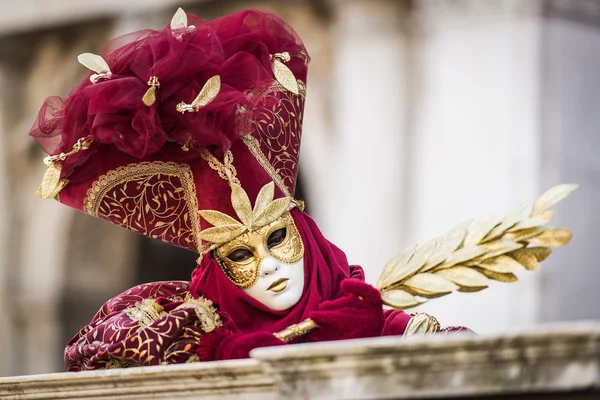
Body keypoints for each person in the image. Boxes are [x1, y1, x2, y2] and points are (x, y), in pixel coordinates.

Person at [29, 8, 468, 371]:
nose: (270, 267)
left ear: (308, 237)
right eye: (240, 255)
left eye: (278, 238)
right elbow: (90, 356)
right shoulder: (190, 337)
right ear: (216, 269)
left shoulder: (376, 324)